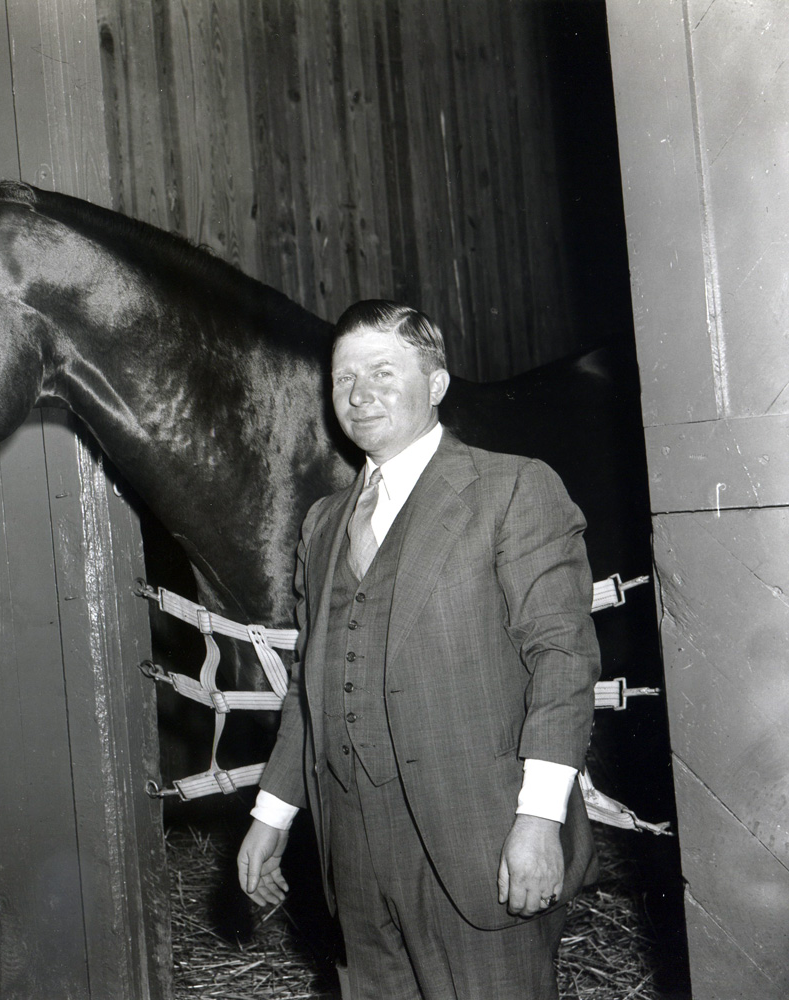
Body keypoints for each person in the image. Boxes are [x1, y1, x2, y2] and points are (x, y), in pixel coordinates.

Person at [237, 300, 600, 999]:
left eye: (382, 371)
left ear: (435, 386)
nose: (359, 393)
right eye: (344, 376)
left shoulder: (511, 488)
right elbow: (308, 689)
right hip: (352, 853)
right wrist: (270, 817)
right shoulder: (321, 524)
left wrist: (537, 821)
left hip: (481, 840)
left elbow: (562, 660)